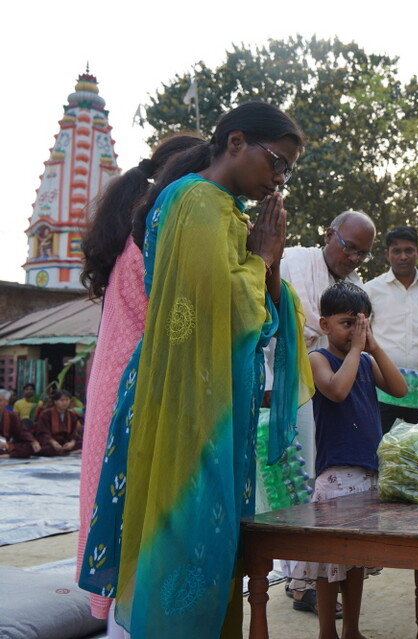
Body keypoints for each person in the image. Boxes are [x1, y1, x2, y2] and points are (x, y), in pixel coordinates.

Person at [78, 102, 312, 638]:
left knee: (210, 543)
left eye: (288, 170)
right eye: (276, 161)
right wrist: (262, 258)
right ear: (235, 142)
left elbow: (264, 312)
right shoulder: (197, 201)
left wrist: (267, 261)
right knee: (183, 542)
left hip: (208, 401)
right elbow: (222, 308)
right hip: (184, 403)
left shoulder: (224, 208)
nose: (279, 178)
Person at [77, 134, 205, 621]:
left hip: (111, 386)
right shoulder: (157, 235)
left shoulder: (129, 233)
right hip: (138, 391)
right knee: (142, 520)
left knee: (115, 514)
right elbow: (183, 324)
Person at [287, 282, 406, 638]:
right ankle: (328, 632)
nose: (354, 332)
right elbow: (337, 391)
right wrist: (356, 349)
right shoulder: (318, 359)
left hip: (368, 474)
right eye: (346, 323)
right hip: (336, 476)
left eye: (361, 324)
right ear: (324, 325)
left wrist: (373, 346)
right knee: (329, 564)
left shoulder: (366, 361)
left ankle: (352, 629)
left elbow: (400, 389)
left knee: (355, 562)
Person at [270, 210, 375, 476]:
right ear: (329, 235)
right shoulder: (291, 263)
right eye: (350, 247)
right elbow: (265, 324)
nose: (354, 258)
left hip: (333, 392)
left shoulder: (356, 289)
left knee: (323, 466)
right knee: (290, 470)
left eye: (363, 254)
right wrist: (269, 384)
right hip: (282, 382)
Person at [364, 226, 418, 433]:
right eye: (397, 251)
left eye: (409, 250)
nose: (403, 256)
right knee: (378, 444)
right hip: (382, 385)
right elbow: (362, 333)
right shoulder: (371, 289)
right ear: (387, 254)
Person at [33, 390, 82, 456]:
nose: (64, 403)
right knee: (47, 449)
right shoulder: (46, 414)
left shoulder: (72, 415)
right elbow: (43, 431)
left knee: (82, 444)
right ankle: (69, 453)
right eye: (62, 400)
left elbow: (73, 432)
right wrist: (52, 442)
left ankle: (64, 452)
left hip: (65, 442)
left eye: (67, 400)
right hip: (51, 441)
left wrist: (72, 442)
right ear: (55, 401)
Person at [0, 389, 40, 458]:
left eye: (0, 400)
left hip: (5, 445)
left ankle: (7, 456)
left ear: (6, 403)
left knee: (31, 447)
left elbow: (21, 431)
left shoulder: (11, 415)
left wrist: (33, 441)